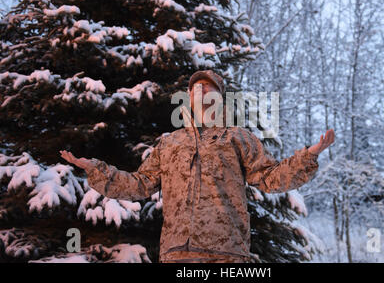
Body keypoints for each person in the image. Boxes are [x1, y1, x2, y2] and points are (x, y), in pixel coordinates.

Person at [60, 69, 335, 263]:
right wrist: (95, 168)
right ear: (188, 98)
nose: (201, 89)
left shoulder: (237, 137)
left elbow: (270, 178)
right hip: (178, 252)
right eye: (195, 87)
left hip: (226, 253)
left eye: (208, 86)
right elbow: (139, 184)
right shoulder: (170, 143)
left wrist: (309, 155)